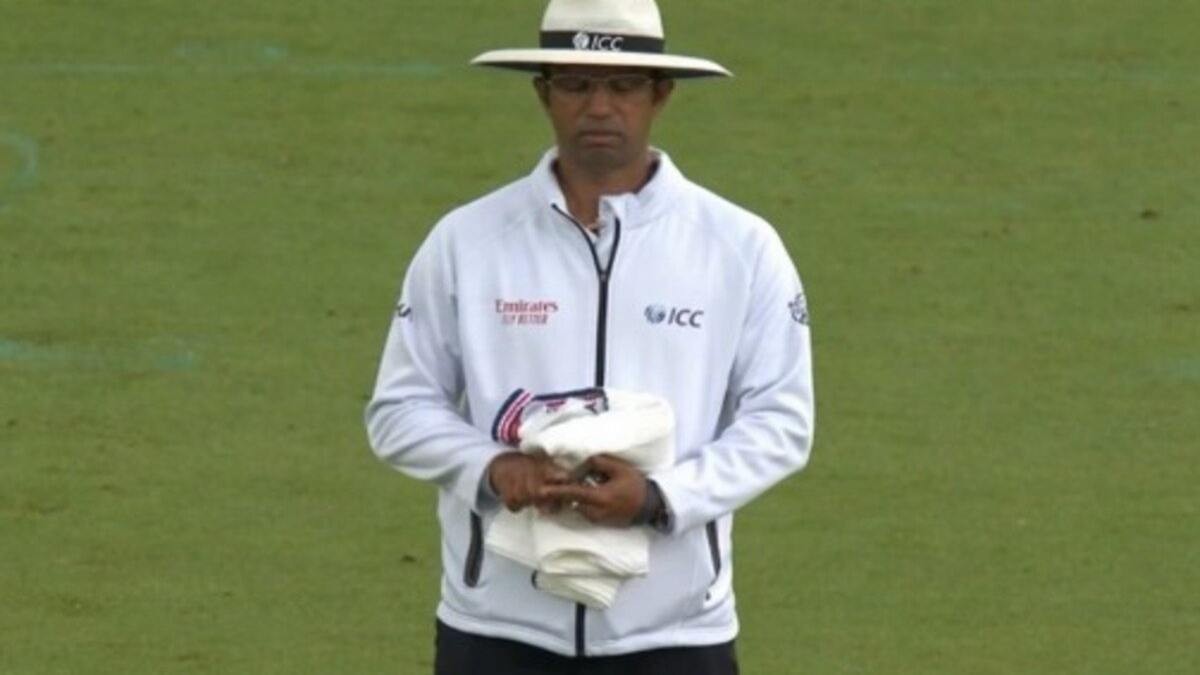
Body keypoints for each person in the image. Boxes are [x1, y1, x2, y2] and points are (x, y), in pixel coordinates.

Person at [365, 0, 814, 672]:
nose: (599, 107)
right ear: (543, 93)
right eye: (576, 84)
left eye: (623, 85)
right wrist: (492, 469)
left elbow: (782, 421)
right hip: (495, 628)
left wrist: (661, 499)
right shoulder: (467, 241)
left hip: (675, 634)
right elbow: (399, 409)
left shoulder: (741, 248)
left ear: (660, 94)